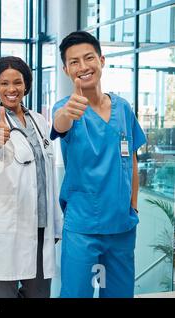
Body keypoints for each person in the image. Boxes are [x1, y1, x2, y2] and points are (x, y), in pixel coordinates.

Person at [51, 31, 147, 298]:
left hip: (121, 226)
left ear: (101, 60)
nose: (83, 67)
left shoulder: (124, 108)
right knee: (75, 293)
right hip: (83, 227)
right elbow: (60, 124)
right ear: (65, 69)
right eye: (74, 62)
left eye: (88, 58)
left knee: (118, 294)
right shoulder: (66, 108)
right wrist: (66, 114)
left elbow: (133, 161)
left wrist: (134, 206)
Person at [0, 56, 63, 298]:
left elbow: (47, 175)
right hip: (7, 228)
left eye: (17, 82)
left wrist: (56, 223)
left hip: (41, 226)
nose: (11, 89)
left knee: (39, 294)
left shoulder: (39, 121)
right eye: (4, 83)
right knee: (4, 294)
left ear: (26, 85)